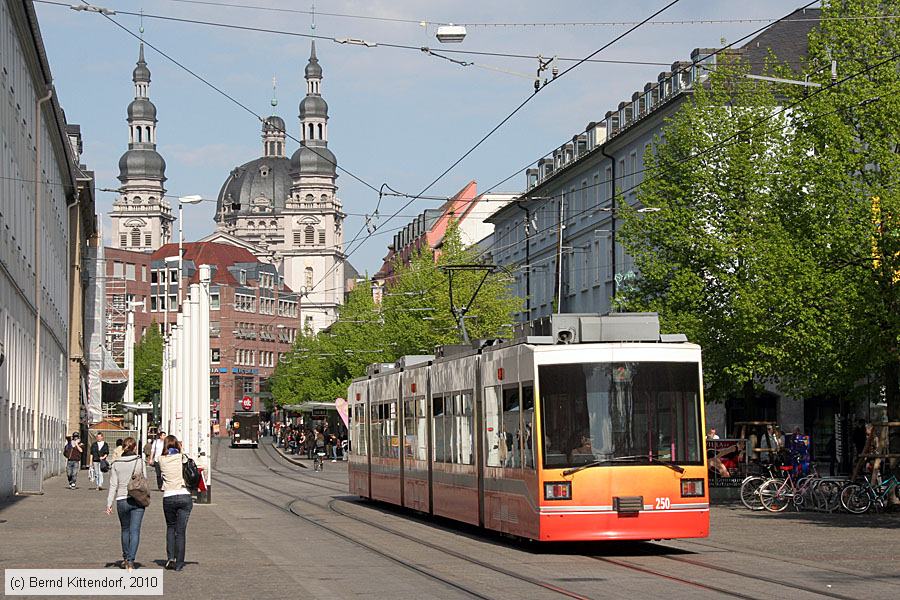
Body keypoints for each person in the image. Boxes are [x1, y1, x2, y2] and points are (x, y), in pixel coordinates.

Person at [105, 437, 146, 571]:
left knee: (125, 529)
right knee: (135, 531)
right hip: (137, 498)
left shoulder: (116, 464)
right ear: (135, 447)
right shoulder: (139, 461)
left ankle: (125, 557)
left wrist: (109, 503)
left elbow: (113, 485)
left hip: (121, 498)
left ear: (122, 448)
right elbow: (144, 478)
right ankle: (131, 561)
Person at [158, 435, 193, 571]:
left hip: (169, 496)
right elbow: (187, 459)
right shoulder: (182, 457)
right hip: (184, 495)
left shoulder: (161, 459)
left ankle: (171, 558)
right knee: (181, 531)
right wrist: (181, 448)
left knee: (171, 527)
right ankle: (179, 563)